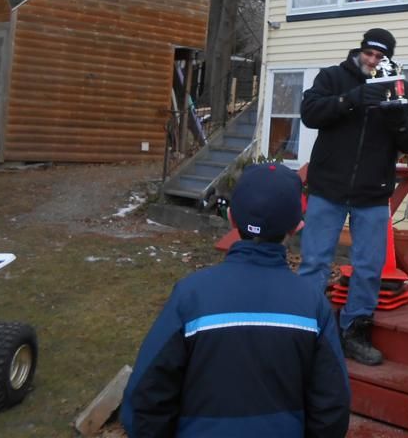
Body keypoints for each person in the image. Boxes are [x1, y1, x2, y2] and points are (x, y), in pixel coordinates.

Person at [121, 163, 350, 438]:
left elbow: (146, 398)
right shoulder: (312, 305)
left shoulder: (191, 296)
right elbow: (332, 407)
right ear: (296, 226)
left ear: (231, 218)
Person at [299, 27, 408, 366]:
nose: (372, 60)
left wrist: (397, 119)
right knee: (314, 261)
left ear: (388, 59)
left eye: (380, 56)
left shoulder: (402, 89)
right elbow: (310, 113)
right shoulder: (332, 77)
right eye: (368, 53)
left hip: (373, 192)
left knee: (369, 267)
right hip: (328, 187)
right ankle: (305, 328)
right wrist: (351, 99)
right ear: (359, 51)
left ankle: (354, 330)